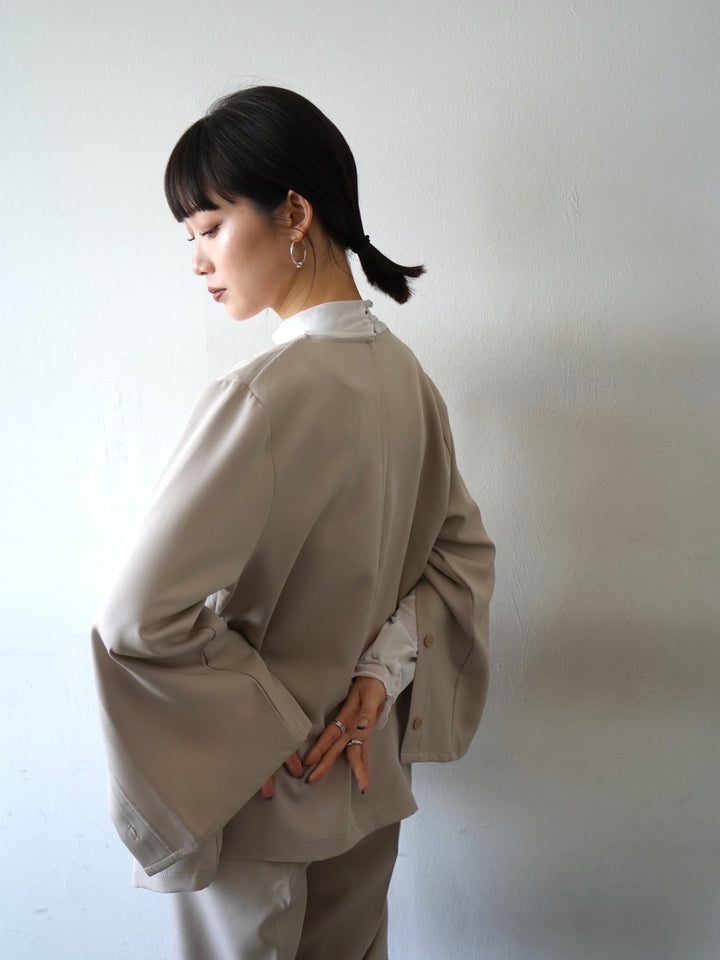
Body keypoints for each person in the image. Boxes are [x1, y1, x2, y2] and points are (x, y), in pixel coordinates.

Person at [91, 86, 495, 960]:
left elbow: (133, 618)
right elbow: (458, 560)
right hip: (363, 778)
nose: (197, 260)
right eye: (189, 237)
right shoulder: (408, 380)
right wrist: (379, 676)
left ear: (295, 214)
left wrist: (269, 719)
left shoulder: (260, 400)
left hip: (263, 798)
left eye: (208, 227)